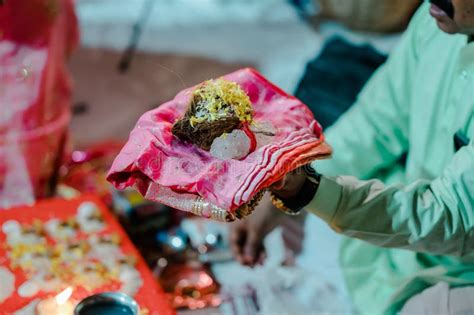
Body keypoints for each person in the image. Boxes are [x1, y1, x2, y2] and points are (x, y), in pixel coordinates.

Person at [230, 1, 474, 314]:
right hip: (407, 235)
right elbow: (377, 120)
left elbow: (448, 218)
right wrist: (296, 173)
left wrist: (307, 190)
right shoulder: (435, 20)